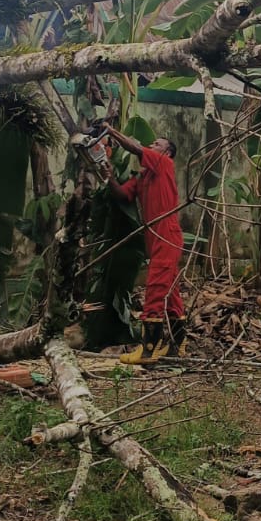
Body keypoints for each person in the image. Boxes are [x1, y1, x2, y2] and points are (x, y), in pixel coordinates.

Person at [98, 122, 187, 366]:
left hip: (166, 235)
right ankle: (177, 346)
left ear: (166, 152)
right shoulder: (144, 176)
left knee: (157, 288)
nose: (151, 145)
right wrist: (108, 175)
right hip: (156, 237)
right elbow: (122, 195)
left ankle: (149, 350)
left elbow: (136, 149)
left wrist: (110, 131)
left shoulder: (164, 165)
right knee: (171, 293)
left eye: (157, 144)